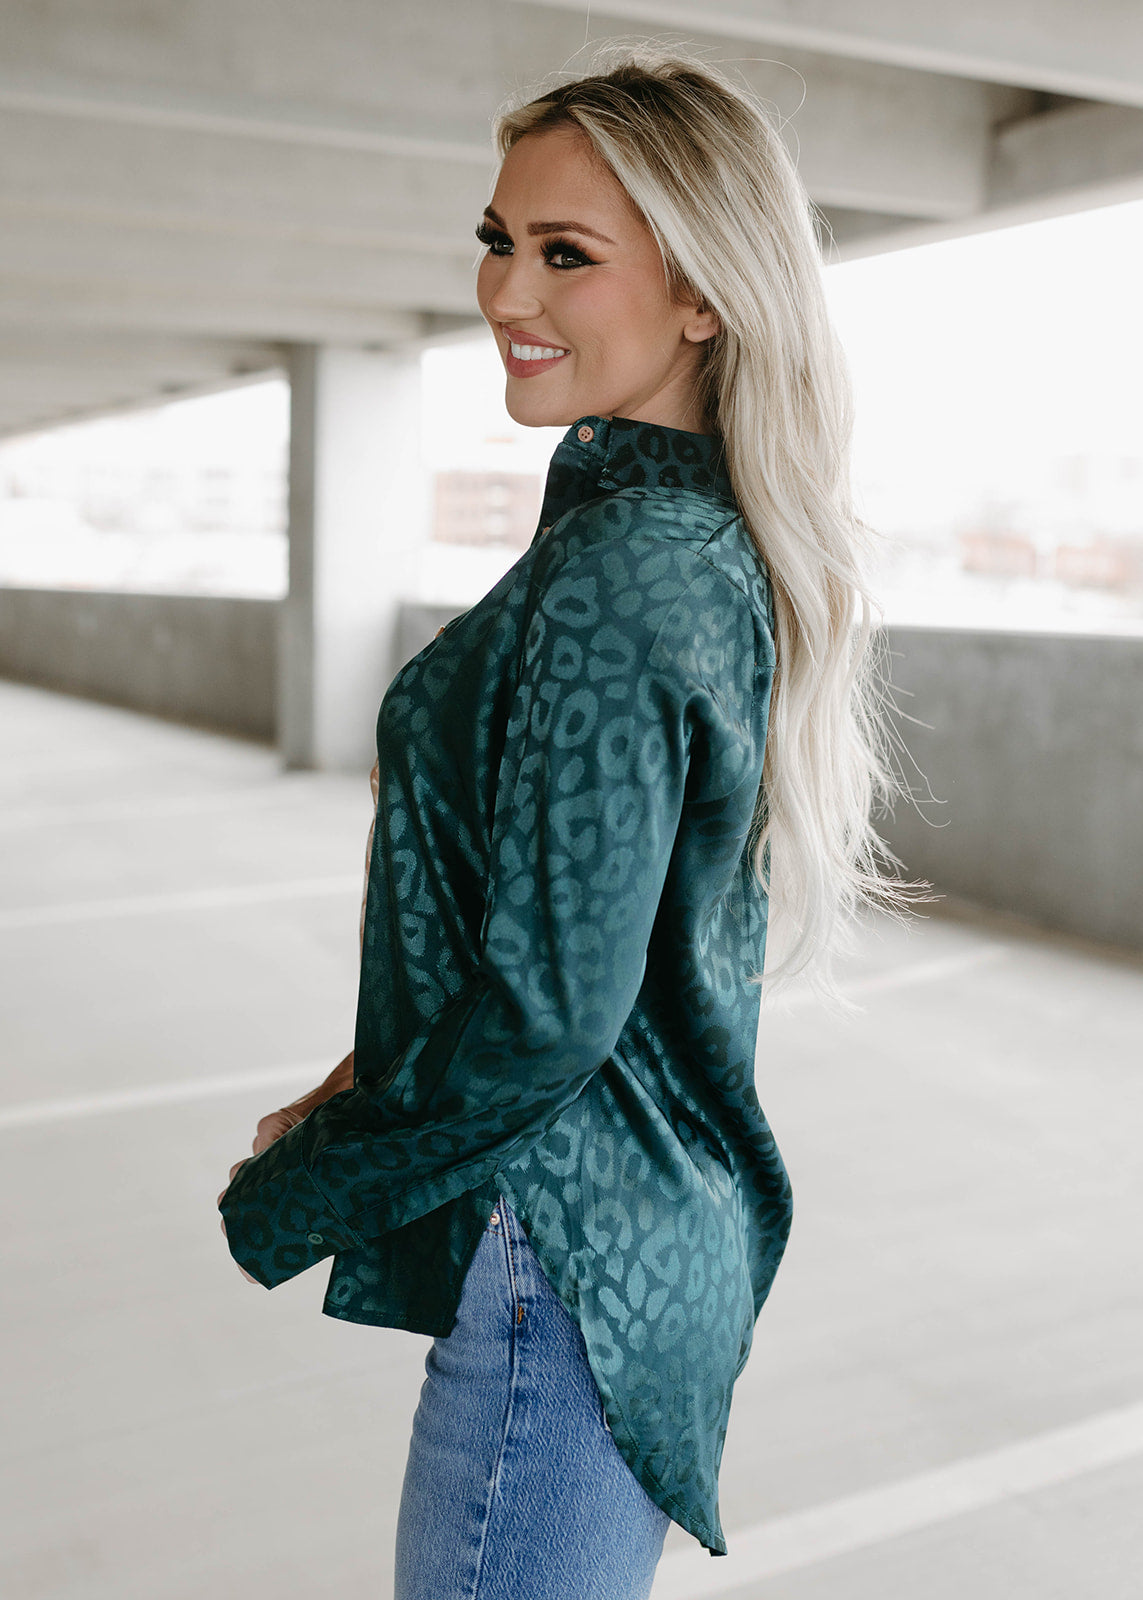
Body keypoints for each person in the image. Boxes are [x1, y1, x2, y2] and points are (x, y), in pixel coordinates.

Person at [217, 43, 925, 1599]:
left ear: (703, 293)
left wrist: (302, 1183)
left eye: (565, 254)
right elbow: (578, 935)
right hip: (615, 1247)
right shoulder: (675, 537)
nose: (505, 293)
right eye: (498, 241)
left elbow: (549, 1011)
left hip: (565, 1264)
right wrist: (374, 1070)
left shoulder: (630, 564)